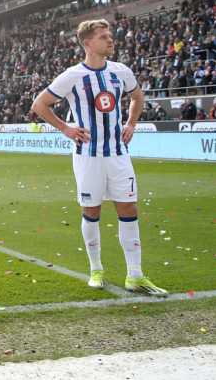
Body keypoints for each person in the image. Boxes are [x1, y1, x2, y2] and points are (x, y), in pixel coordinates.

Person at [31, 19, 168, 297]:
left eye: (110, 36)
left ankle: (135, 275)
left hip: (118, 154)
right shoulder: (72, 76)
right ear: (88, 43)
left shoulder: (121, 71)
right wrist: (66, 128)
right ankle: (96, 270)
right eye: (104, 37)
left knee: (128, 210)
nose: (110, 40)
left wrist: (131, 123)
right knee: (91, 212)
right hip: (88, 156)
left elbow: (137, 97)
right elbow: (39, 104)